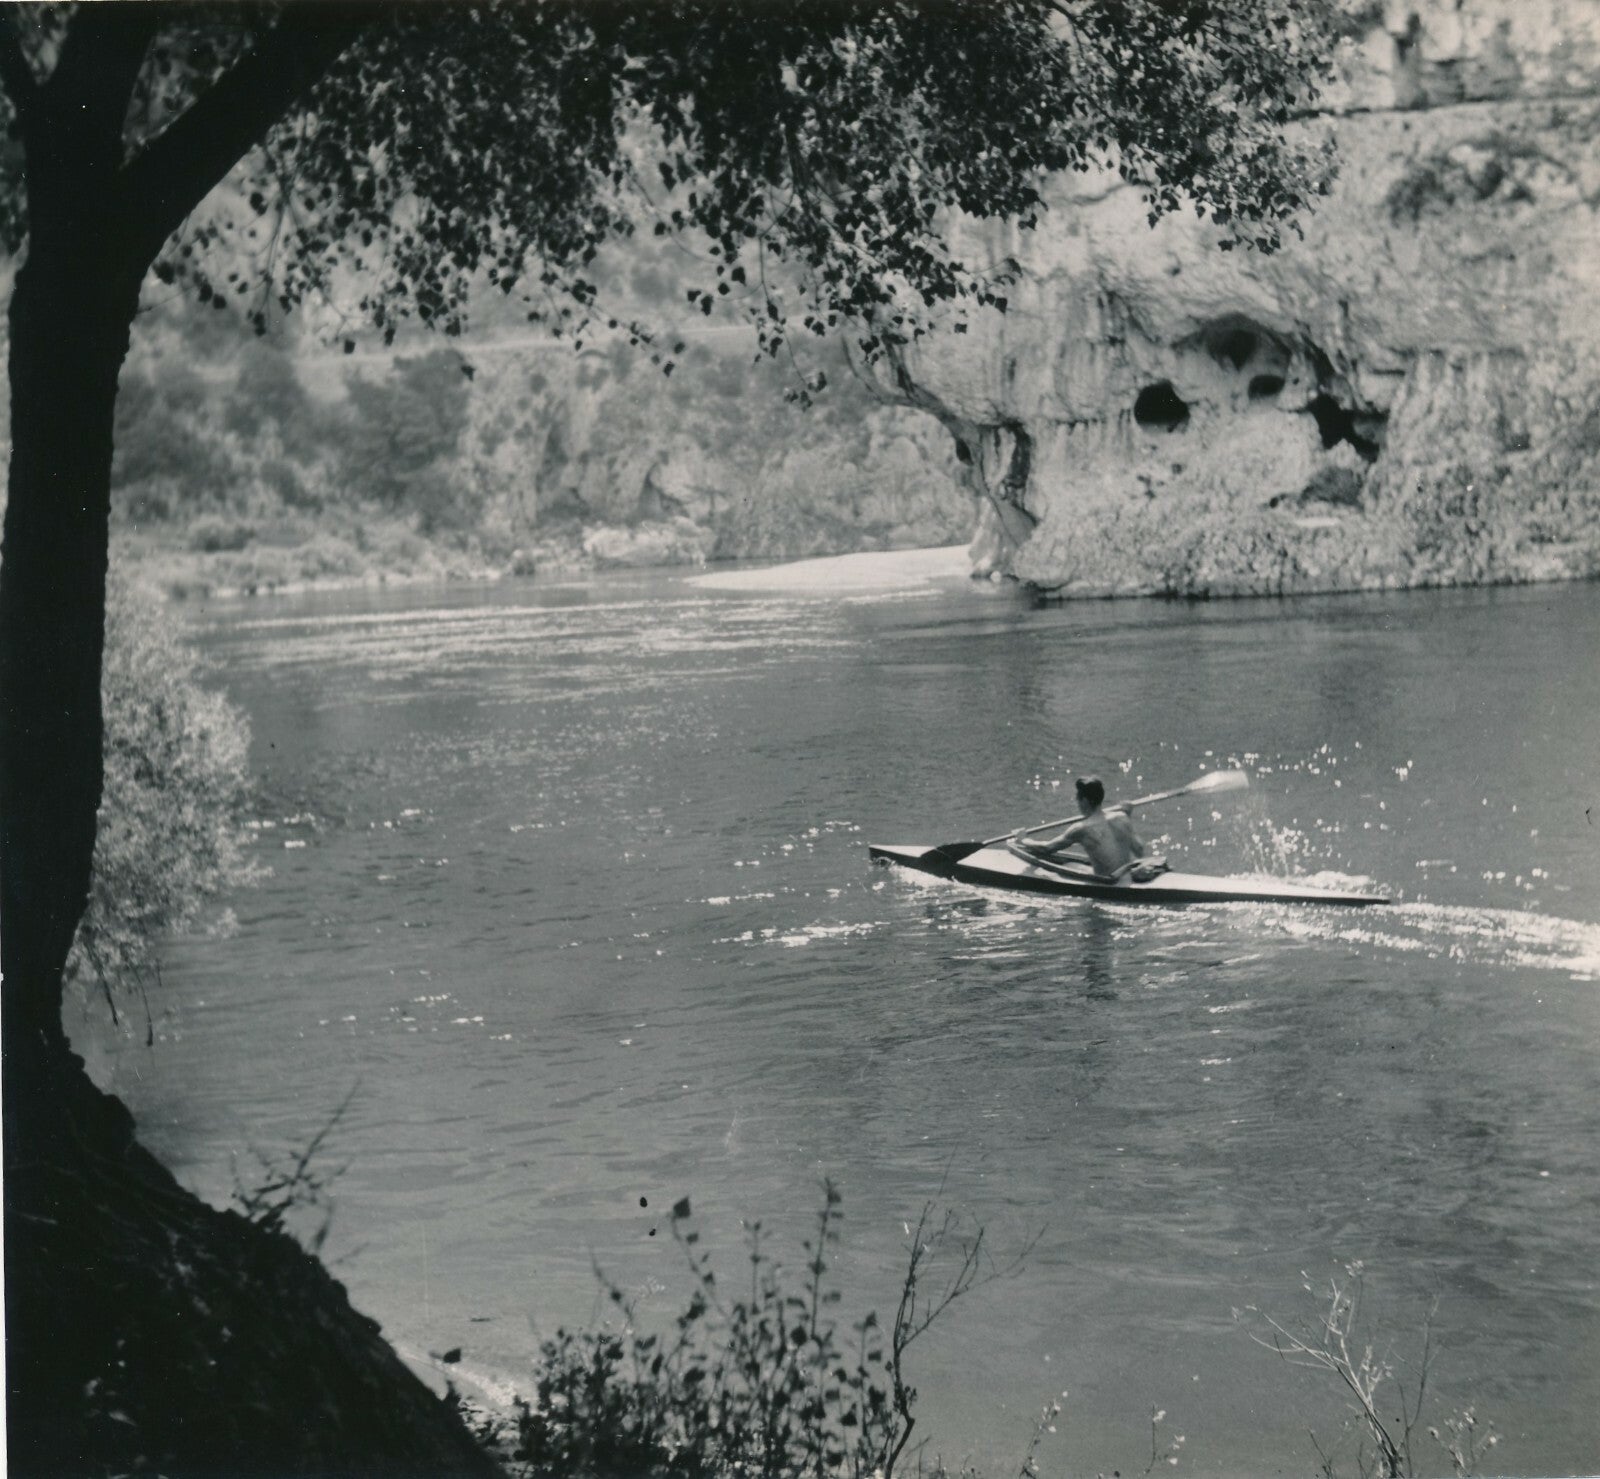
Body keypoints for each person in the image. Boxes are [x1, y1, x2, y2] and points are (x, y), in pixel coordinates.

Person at [1014, 775, 1168, 883]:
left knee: (1065, 867)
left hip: (1108, 883)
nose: (1077, 802)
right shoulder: (1121, 817)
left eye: (1078, 799)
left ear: (1085, 801)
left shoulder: (1081, 828)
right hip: (1126, 876)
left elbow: (1047, 849)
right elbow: (1140, 851)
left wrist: (1024, 840)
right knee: (1071, 865)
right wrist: (1128, 815)